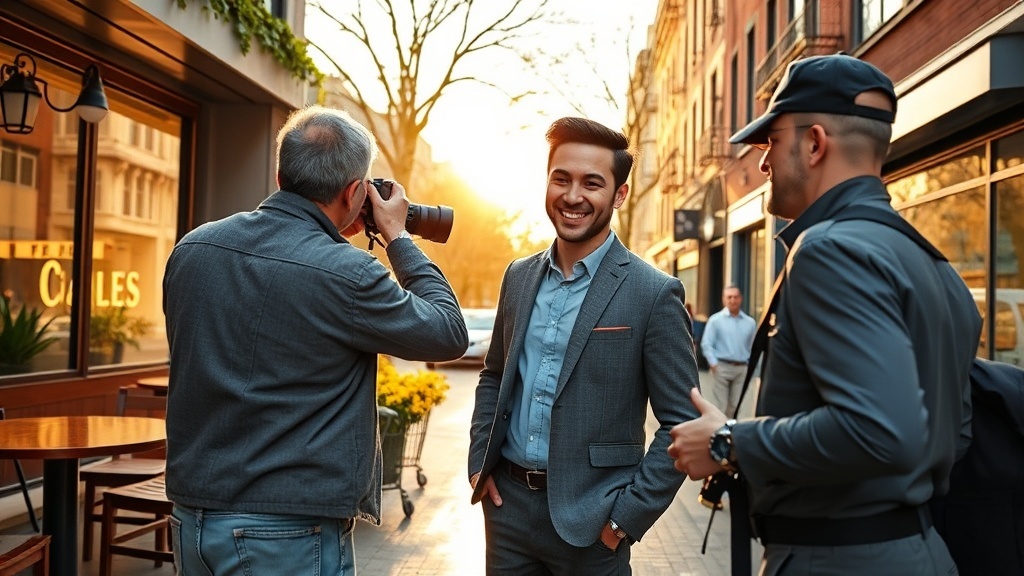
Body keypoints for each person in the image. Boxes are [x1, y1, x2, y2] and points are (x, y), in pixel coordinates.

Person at [668, 54, 982, 575]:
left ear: (814, 143)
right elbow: (956, 432)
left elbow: (879, 430)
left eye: (771, 143)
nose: (763, 165)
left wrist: (729, 442)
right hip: (915, 549)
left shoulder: (828, 249)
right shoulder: (933, 265)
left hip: (839, 559)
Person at [163, 105, 469, 575]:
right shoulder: (348, 273)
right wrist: (397, 236)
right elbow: (448, 332)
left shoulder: (193, 248)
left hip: (192, 520)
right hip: (285, 533)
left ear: (280, 176)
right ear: (354, 192)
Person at [468, 116, 700, 574]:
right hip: (507, 512)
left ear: (619, 194)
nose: (573, 196)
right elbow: (494, 375)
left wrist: (624, 519)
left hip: (594, 525)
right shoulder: (518, 276)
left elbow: (682, 423)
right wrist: (480, 461)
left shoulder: (654, 293)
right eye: (562, 179)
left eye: (592, 183)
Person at [700, 286, 756, 418]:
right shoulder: (715, 320)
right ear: (724, 299)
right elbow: (706, 344)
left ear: (741, 299)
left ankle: (731, 430)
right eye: (729, 297)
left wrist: (749, 365)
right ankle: (720, 430)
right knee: (721, 406)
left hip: (741, 370)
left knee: (736, 407)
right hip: (721, 367)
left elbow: (752, 346)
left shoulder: (750, 323)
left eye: (735, 297)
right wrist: (713, 364)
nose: (732, 300)